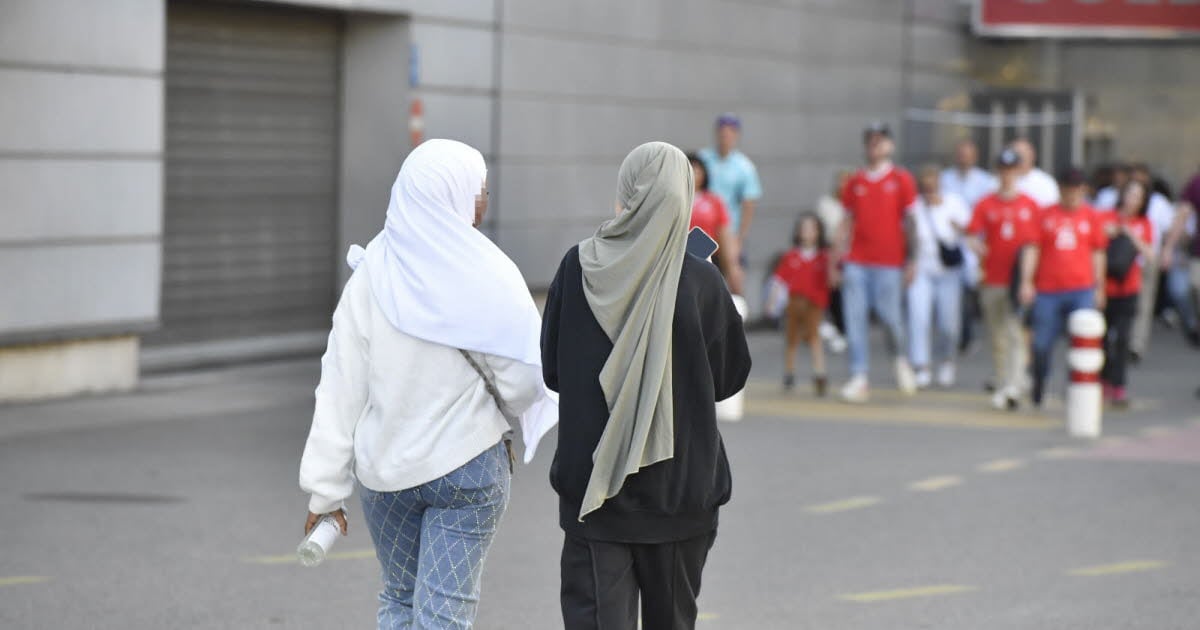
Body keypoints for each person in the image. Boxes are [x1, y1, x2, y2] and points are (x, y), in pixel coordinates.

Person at [298, 140, 557, 630]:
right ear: (453, 194)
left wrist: (324, 493)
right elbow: (525, 381)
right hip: (468, 467)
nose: (483, 203)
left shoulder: (371, 275)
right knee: (444, 616)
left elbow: (339, 389)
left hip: (385, 475)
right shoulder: (490, 273)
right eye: (479, 190)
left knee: (399, 600)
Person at [542, 142, 752, 630]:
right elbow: (728, 379)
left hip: (594, 492)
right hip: (679, 493)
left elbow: (553, 371)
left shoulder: (578, 268)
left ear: (627, 190)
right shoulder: (700, 280)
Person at [835, 121, 919, 402]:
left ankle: (900, 359)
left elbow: (911, 222)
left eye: (880, 139)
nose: (875, 144)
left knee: (891, 318)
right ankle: (859, 375)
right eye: (870, 140)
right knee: (855, 318)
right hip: (857, 260)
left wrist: (912, 259)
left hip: (889, 262)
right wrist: (836, 258)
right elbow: (846, 222)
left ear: (889, 145)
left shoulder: (901, 179)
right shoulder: (855, 181)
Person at [1019, 167, 1108, 407]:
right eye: (1068, 189)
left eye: (1076, 190)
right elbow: (1033, 248)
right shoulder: (1045, 215)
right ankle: (1039, 380)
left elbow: (1098, 252)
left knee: (1082, 341)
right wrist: (1027, 281)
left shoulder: (1091, 216)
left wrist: (1100, 287)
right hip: (1048, 289)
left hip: (1082, 288)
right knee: (1041, 343)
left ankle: (1078, 387)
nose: (1072, 195)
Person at [966, 148, 1040, 410]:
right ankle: (1003, 378)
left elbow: (1032, 245)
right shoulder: (986, 203)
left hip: (1015, 279)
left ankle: (1014, 383)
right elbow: (972, 233)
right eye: (1003, 170)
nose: (1007, 175)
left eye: (1011, 170)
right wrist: (978, 247)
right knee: (997, 334)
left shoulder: (1028, 205)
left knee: (1014, 331)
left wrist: (1027, 280)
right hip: (991, 278)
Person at [908, 165, 971, 388]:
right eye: (925, 187)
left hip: (948, 271)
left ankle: (947, 360)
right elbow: (908, 237)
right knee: (918, 317)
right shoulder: (915, 207)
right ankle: (921, 365)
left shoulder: (954, 203)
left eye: (932, 186)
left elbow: (970, 231)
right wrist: (909, 264)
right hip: (922, 268)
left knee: (948, 322)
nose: (930, 191)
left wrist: (957, 226)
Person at [1099, 180, 1155, 408]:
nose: (1132, 200)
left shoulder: (1144, 223)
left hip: (1129, 288)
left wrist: (1129, 233)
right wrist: (1110, 231)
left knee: (1122, 338)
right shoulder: (1106, 217)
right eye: (1130, 194)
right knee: (1102, 339)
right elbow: (1095, 243)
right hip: (1105, 288)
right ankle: (1103, 379)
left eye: (1138, 197)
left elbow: (1149, 254)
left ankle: (1118, 384)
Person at [940, 139, 996, 355]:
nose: (964, 158)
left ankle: (967, 332)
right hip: (952, 242)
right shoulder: (945, 179)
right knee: (955, 289)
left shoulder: (985, 181)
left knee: (970, 287)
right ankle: (956, 334)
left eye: (967, 155)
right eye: (961, 154)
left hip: (975, 241)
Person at [773, 212, 835, 395]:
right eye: (804, 229)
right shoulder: (791, 256)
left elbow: (830, 279)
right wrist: (773, 301)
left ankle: (819, 372)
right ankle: (789, 372)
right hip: (795, 302)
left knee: (814, 338)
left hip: (814, 304)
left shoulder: (824, 258)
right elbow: (779, 280)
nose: (807, 233)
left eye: (811, 229)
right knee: (792, 338)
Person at [1127, 163, 1180, 360]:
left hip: (1147, 259)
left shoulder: (1158, 204)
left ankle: (1136, 343)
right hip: (1123, 262)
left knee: (1144, 304)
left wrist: (1167, 250)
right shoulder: (1118, 204)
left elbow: (1169, 229)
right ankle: (1122, 338)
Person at [698, 114, 763, 252]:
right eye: (723, 132)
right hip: (702, 227)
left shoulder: (745, 166)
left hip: (728, 230)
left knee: (729, 264)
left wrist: (740, 237)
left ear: (737, 135)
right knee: (699, 262)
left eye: (730, 132)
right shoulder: (702, 159)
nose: (726, 136)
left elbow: (748, 204)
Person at [686, 152, 744, 295]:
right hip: (681, 258)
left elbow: (724, 232)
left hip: (709, 257)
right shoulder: (676, 199)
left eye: (697, 170)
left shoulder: (713, 201)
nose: (693, 174)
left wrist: (732, 265)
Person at [814, 170, 852, 353]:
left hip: (851, 254)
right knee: (833, 292)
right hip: (830, 252)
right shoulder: (826, 204)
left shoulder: (854, 205)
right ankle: (837, 326)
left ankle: (846, 330)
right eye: (840, 182)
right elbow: (821, 231)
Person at [1163, 165, 1200, 346]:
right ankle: (1193, 325)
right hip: (1198, 253)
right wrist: (1168, 248)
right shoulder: (1196, 183)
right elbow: (1181, 216)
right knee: (1188, 289)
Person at [1009, 138, 1060, 209]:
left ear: (1032, 155)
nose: (1020, 158)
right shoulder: (998, 181)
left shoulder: (1045, 182)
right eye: (1016, 153)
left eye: (1023, 153)